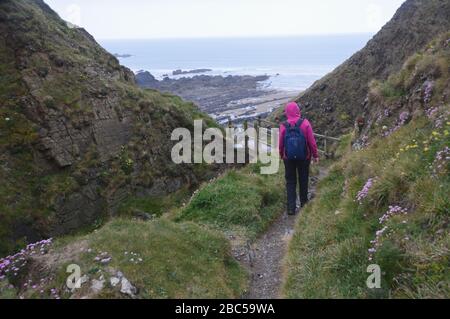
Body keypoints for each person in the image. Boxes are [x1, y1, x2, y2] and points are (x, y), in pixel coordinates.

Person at [279, 102, 319, 215]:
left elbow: (281, 144)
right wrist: (315, 155)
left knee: (290, 182)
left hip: (288, 158)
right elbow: (312, 142)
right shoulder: (305, 123)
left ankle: (291, 208)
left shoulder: (283, 125)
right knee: (303, 179)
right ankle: (303, 203)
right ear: (298, 110)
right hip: (304, 157)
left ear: (287, 112)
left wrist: (282, 155)